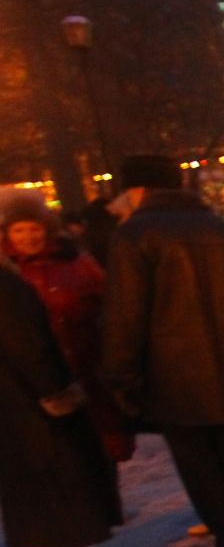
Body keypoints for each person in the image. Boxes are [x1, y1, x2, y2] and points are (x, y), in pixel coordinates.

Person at [102, 155, 224, 547]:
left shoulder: (134, 235)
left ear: (137, 189)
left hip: (173, 374)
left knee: (200, 466)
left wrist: (120, 375)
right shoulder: (221, 230)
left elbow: (126, 314)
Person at [1, 258, 121, 547]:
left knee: (24, 474)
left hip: (11, 397)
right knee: (46, 470)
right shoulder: (5, 285)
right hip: (25, 397)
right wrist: (55, 389)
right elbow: (27, 343)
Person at [2, 189, 131, 462]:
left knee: (101, 455)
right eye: (19, 230)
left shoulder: (77, 264)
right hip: (31, 386)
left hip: (87, 373)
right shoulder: (6, 275)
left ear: (46, 229)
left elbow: (110, 308)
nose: (28, 237)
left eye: (33, 228)